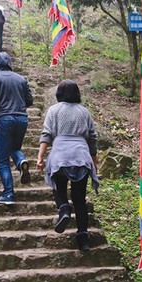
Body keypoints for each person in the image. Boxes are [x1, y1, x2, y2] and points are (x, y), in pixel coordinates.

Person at [37, 80, 100, 251]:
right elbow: (92, 139)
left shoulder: (53, 110)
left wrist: (40, 157)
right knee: (79, 199)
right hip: (81, 155)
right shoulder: (84, 112)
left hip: (60, 156)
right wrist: (95, 164)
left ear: (59, 93)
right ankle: (83, 238)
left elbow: (47, 134)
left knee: (59, 188)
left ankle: (64, 209)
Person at [0, 52, 34, 205]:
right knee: (14, 147)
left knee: (3, 159)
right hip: (21, 118)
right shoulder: (21, 79)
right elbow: (30, 100)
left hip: (4, 119)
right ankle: (21, 162)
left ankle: (8, 194)